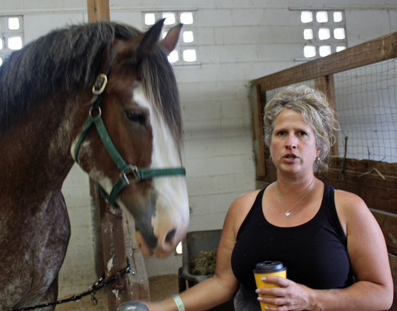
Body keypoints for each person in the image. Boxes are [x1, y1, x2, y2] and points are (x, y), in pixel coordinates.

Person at [144, 85, 393, 311]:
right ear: (269, 144)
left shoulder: (348, 208)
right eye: (281, 133)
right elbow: (221, 283)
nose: (290, 143)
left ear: (319, 148)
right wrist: (161, 307)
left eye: (302, 134)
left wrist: (312, 299)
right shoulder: (243, 207)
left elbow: (381, 293)